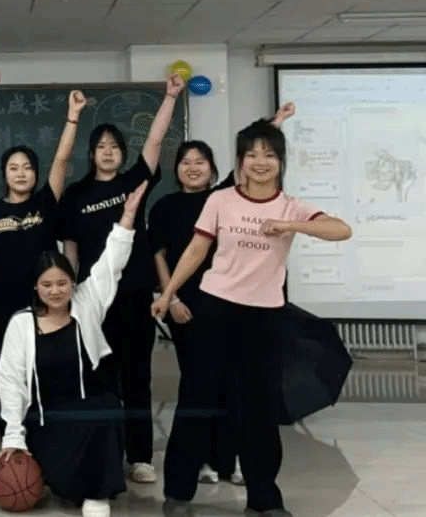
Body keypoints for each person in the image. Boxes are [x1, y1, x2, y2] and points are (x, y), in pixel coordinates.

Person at [153, 120, 352, 517]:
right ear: (240, 161)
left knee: (259, 409)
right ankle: (178, 492)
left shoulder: (290, 206)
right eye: (252, 154)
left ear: (281, 161)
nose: (260, 162)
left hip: (265, 317)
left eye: (269, 154)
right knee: (197, 400)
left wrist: (290, 225)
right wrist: (169, 293)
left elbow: (340, 230)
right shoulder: (220, 199)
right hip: (215, 309)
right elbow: (196, 250)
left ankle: (264, 497)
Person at [149, 103, 295, 488]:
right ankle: (197, 463)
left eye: (200, 161)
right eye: (185, 162)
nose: (193, 167)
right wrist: (172, 299)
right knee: (197, 387)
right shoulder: (165, 206)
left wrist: (276, 122)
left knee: (232, 385)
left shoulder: (225, 197)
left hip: (224, 306)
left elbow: (251, 162)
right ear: (176, 169)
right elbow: (160, 254)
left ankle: (228, 460)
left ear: (213, 168)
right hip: (183, 306)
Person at [56, 73, 184, 484]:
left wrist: (170, 98)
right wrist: (68, 298)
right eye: (101, 147)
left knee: (137, 379)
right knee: (99, 380)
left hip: (134, 297)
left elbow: (155, 143)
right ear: (91, 154)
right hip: (94, 303)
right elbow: (71, 252)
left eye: (114, 146)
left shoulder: (133, 184)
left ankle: (140, 458)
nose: (108, 152)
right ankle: (106, 452)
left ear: (122, 153)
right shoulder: (76, 196)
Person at [0, 183, 148, 517]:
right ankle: (70, 481)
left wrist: (127, 218)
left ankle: (97, 492)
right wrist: (13, 436)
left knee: (107, 408)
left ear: (72, 282)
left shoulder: (87, 301)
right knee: (59, 474)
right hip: (46, 415)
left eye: (62, 283)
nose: (55, 291)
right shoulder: (22, 324)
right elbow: (10, 381)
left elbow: (111, 263)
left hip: (87, 403)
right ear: (36, 287)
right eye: (47, 285)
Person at [0, 88, 87, 429]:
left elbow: (61, 160)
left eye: (27, 168)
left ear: (35, 174)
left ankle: (45, 435)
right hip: (3, 307)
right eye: (13, 168)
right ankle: (11, 440)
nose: (21, 173)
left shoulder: (45, 204)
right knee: (9, 373)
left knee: (45, 370)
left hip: (45, 304)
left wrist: (73, 116)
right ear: (4, 173)